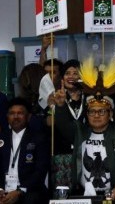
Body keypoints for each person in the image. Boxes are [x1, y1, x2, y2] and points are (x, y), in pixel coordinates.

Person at [54, 57, 115, 197]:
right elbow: (63, 127)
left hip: (113, 195)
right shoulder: (80, 131)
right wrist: (61, 106)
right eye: (92, 111)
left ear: (110, 114)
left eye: (101, 111)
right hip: (83, 194)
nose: (96, 115)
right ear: (87, 114)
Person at [0, 97, 50, 204]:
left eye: (20, 113)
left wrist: (19, 191)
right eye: (12, 113)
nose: (15, 116)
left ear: (28, 116)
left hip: (28, 191)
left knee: (32, 200)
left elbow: (40, 172)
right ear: (7, 116)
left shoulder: (39, 138)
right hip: (3, 192)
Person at [50, 59, 87, 189]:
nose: (71, 76)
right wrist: (57, 106)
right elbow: (48, 124)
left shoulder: (89, 97)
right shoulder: (54, 97)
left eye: (75, 73)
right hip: (62, 155)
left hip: (86, 153)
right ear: (62, 78)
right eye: (67, 73)